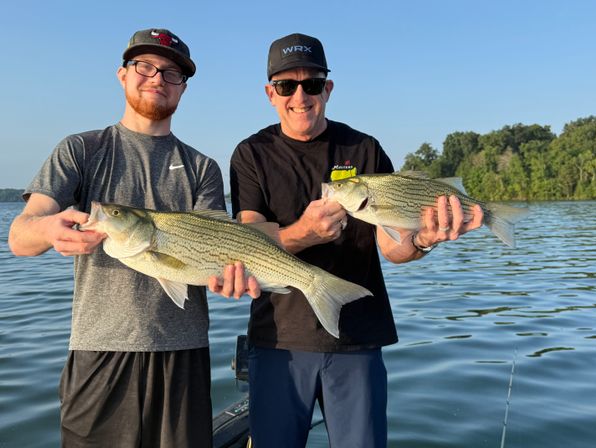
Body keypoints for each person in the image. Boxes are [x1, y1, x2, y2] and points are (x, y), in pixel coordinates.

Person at [224, 33, 484, 447]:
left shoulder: (364, 149)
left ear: (327, 88)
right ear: (270, 93)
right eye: (287, 86)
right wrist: (304, 233)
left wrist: (424, 240)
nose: (300, 96)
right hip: (279, 341)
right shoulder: (250, 154)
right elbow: (250, 241)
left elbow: (392, 247)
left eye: (311, 84)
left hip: (358, 337)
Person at [8, 28, 237, 447]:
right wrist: (46, 229)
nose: (157, 78)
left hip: (184, 355)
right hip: (100, 354)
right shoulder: (81, 149)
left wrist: (229, 277)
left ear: (183, 89)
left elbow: (218, 248)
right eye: (144, 67)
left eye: (171, 73)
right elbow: (20, 236)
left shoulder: (203, 168)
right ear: (122, 74)